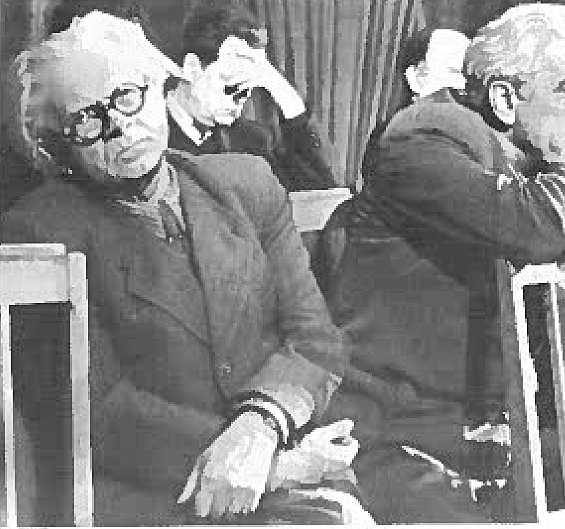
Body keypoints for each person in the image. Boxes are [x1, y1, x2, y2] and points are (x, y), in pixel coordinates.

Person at [316, 4, 565, 523]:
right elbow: (538, 229)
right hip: (393, 441)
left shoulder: (546, 156)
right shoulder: (424, 136)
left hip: (501, 434)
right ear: (504, 99)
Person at [0, 11, 370, 526]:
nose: (118, 125)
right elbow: (98, 412)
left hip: (281, 455)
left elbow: (315, 339)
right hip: (157, 499)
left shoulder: (248, 183)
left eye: (128, 96)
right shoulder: (37, 230)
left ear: (159, 86)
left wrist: (260, 426)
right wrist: (276, 470)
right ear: (58, 146)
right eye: (86, 119)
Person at [166, 0, 336, 192]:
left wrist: (279, 87)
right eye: (231, 87)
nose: (238, 103)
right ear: (192, 68)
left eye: (246, 90)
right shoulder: (147, 139)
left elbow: (317, 193)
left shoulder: (252, 141)